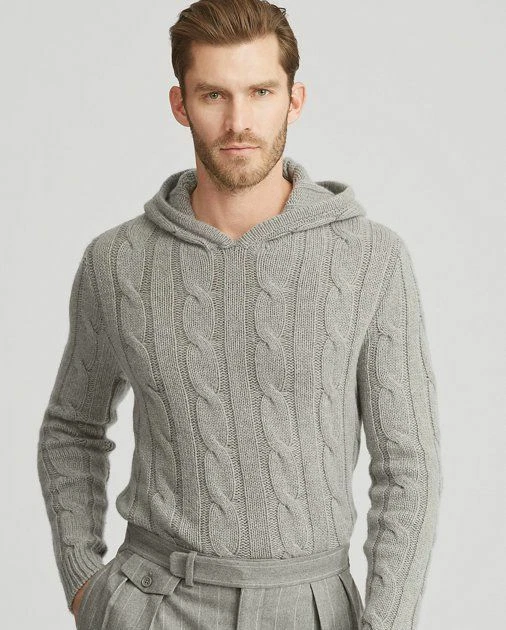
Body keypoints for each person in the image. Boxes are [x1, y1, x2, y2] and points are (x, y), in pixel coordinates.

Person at [37, 1, 442, 628]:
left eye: (260, 92)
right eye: (213, 95)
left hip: (311, 606)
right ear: (180, 105)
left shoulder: (370, 259)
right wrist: (84, 585)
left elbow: (408, 467)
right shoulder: (117, 262)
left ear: (294, 99)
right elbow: (71, 428)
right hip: (153, 603)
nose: (238, 122)